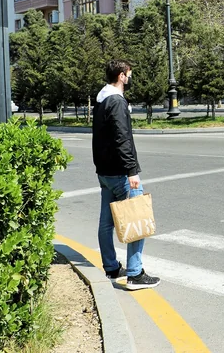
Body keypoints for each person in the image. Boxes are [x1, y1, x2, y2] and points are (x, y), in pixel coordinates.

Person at [93, 60, 160, 290]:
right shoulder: (116, 102)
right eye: (129, 74)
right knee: (136, 217)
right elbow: (122, 139)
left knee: (106, 223)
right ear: (121, 76)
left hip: (105, 172)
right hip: (120, 172)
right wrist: (132, 171)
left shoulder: (101, 100)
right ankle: (135, 273)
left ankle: (111, 268)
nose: (130, 78)